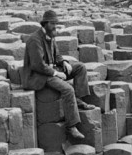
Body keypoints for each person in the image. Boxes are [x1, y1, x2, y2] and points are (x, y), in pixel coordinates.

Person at [21, 9, 94, 142]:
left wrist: (64, 62)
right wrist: (57, 73)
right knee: (68, 89)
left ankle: (78, 101)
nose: (56, 26)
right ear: (46, 23)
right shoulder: (34, 40)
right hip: (39, 76)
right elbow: (37, 65)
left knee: (80, 68)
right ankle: (71, 126)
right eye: (53, 23)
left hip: (52, 69)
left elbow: (57, 55)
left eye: (56, 23)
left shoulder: (51, 36)